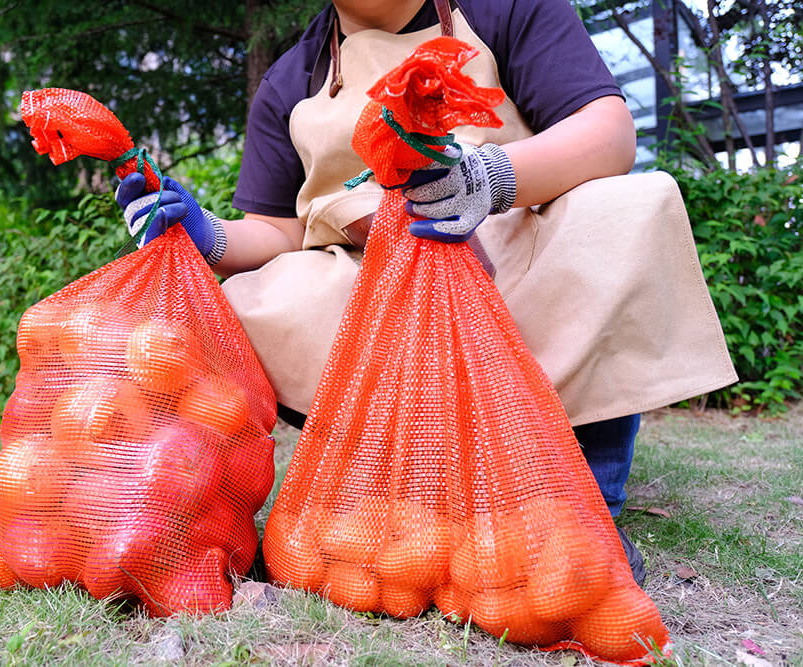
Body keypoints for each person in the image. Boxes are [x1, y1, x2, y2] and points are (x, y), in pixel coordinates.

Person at [115, 0, 736, 587]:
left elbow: (606, 132)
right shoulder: (290, 78)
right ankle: (389, 497)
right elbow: (280, 229)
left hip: (516, 248)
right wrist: (209, 237)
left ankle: (579, 500)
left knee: (627, 206)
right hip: (371, 284)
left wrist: (488, 178)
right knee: (249, 299)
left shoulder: (508, 8)